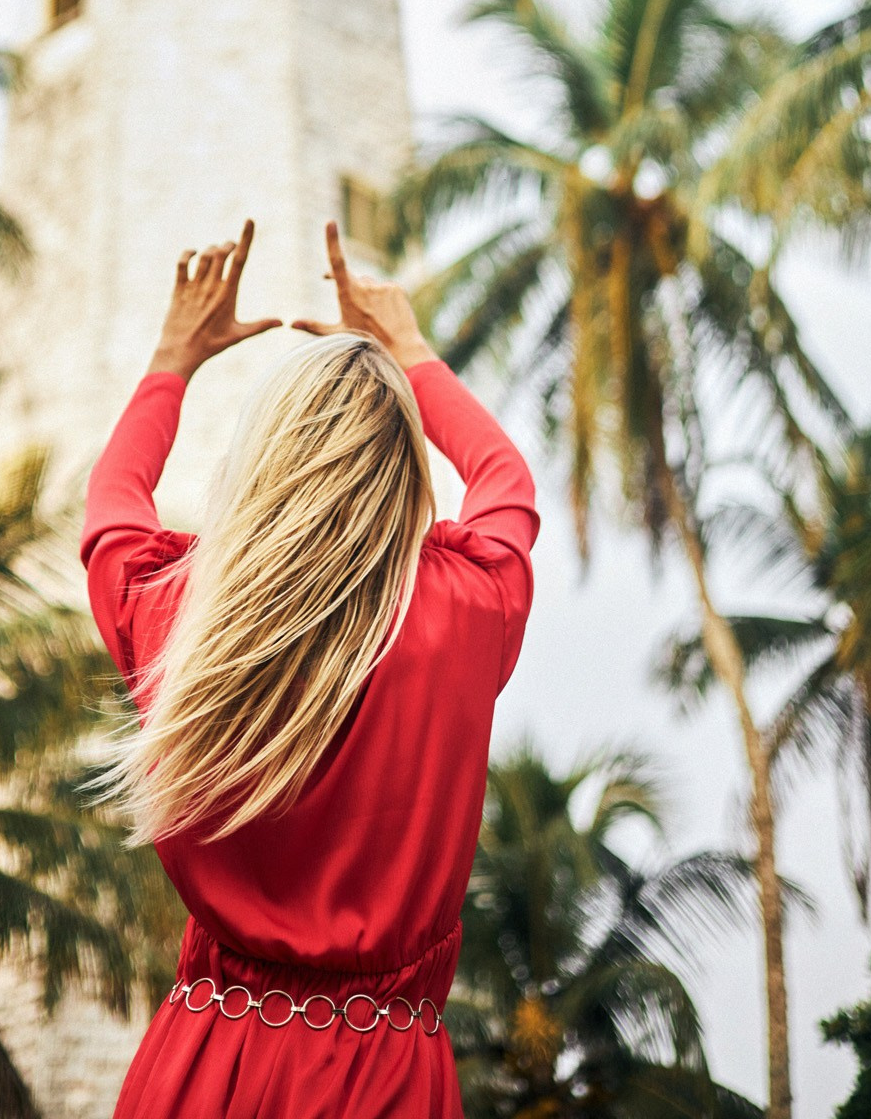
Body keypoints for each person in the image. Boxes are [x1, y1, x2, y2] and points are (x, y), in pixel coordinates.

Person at [81, 218, 538, 1118]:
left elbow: (110, 515)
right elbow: (504, 479)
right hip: (386, 1077)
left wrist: (172, 360)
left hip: (204, 1058)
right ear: (402, 465)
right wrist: (406, 348)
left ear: (265, 461)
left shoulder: (178, 609)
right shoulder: (472, 603)